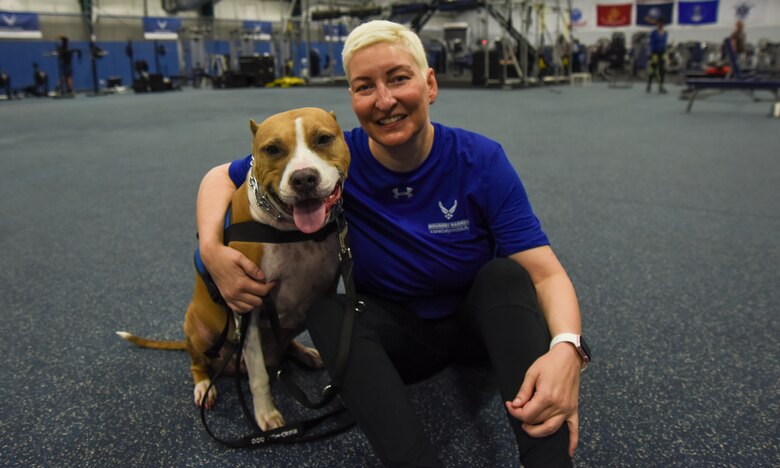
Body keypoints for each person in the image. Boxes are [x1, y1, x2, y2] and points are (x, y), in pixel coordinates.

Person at [196, 20, 587, 467]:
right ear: (353, 101)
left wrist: (567, 348)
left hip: (479, 329)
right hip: (402, 340)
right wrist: (212, 249)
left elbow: (547, 273)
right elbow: (217, 176)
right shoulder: (334, 154)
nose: (384, 100)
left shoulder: (480, 159)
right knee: (326, 311)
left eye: (399, 78)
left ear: (430, 84)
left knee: (506, 275)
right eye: (365, 87)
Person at [646, 19, 668, 94]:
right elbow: (650, 43)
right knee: (652, 69)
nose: (660, 25)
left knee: (662, 70)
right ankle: (649, 85)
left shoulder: (665, 33)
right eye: (659, 24)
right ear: (657, 24)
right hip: (654, 53)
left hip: (662, 54)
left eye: (662, 24)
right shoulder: (653, 33)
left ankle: (661, 86)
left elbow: (665, 43)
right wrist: (649, 53)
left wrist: (666, 53)